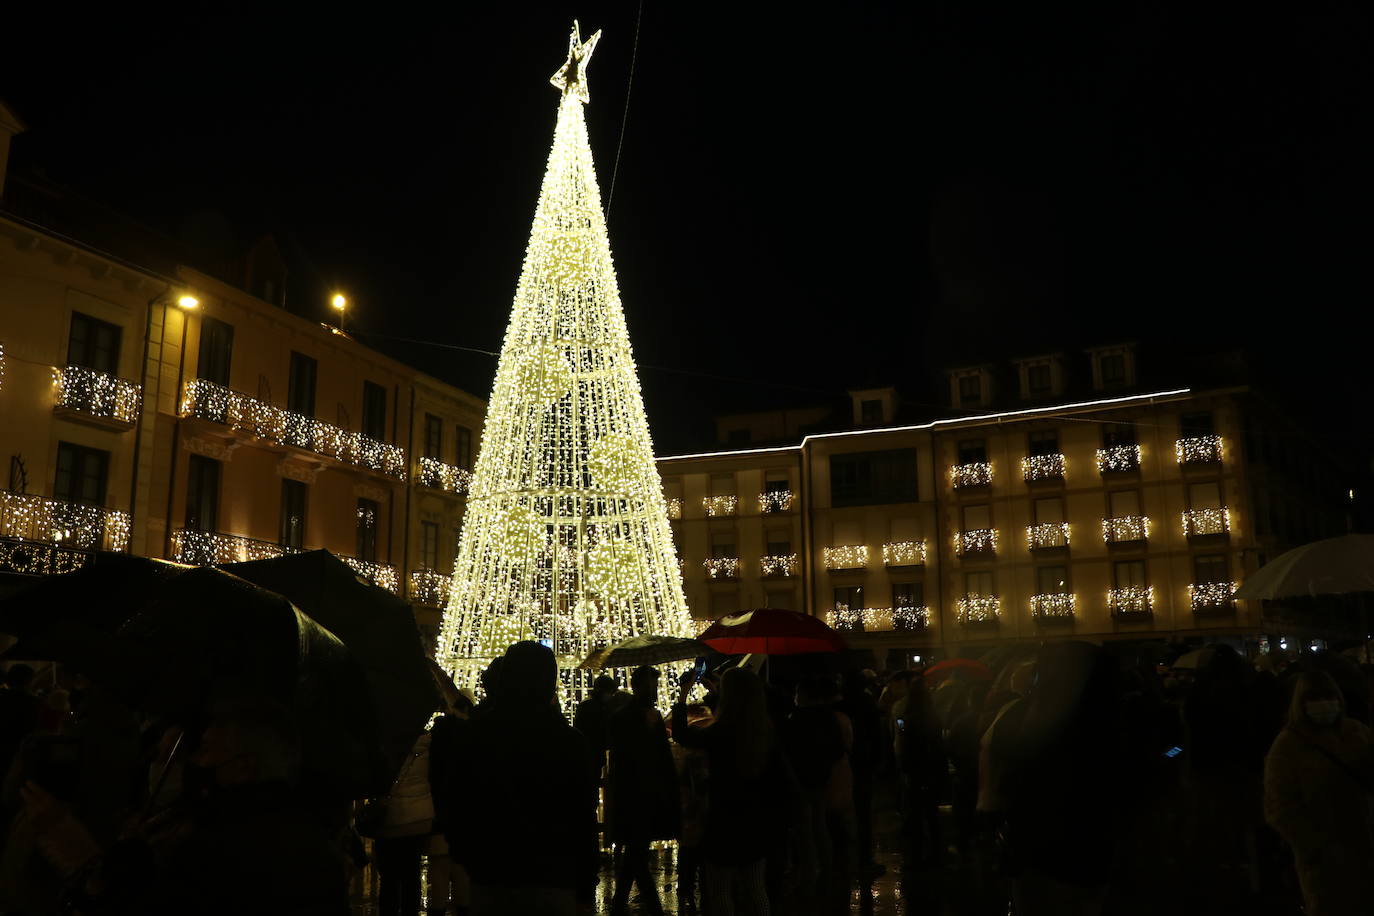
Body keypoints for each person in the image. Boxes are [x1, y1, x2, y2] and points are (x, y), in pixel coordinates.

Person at [444, 641, 597, 916]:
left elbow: (457, 801)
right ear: (549, 684)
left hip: (492, 876)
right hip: (553, 878)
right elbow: (583, 818)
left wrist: (468, 857)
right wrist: (585, 886)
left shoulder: (476, 735)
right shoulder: (569, 742)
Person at [671, 667, 798, 916]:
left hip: (724, 817)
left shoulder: (719, 733)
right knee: (755, 886)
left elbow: (682, 734)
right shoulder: (764, 731)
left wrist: (683, 696)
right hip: (756, 816)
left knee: (720, 888)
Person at [1264, 670, 1374, 916]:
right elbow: (1278, 807)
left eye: (1329, 696)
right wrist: (1315, 845)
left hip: (1365, 843)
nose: (1324, 704)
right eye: (1314, 698)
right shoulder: (1288, 745)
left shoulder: (1357, 732)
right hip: (1325, 860)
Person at [606, 666, 679, 916]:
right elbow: (628, 755)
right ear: (639, 686)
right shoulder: (628, 717)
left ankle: (620, 904)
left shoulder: (649, 715)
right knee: (637, 852)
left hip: (644, 794)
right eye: (651, 685)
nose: (654, 691)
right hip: (637, 794)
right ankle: (651, 907)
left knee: (635, 853)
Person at [428, 689, 475, 916]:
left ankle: (436, 909)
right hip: (465, 812)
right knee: (462, 869)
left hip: (438, 811)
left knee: (438, 868)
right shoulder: (472, 736)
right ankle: (463, 908)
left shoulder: (436, 737)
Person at [572, 674, 630, 776]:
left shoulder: (590, 705)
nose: (611, 695)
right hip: (591, 754)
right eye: (610, 691)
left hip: (590, 754)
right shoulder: (592, 707)